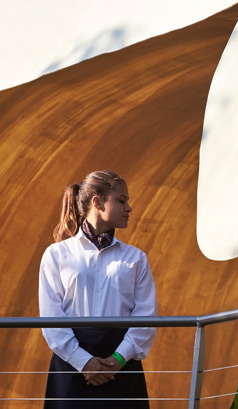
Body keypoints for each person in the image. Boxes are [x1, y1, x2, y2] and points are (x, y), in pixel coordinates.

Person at [38, 170, 157, 409]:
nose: (129, 208)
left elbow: (146, 317)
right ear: (97, 202)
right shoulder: (56, 254)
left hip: (122, 368)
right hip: (70, 367)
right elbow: (51, 318)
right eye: (122, 200)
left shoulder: (136, 258)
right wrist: (84, 362)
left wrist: (118, 359)